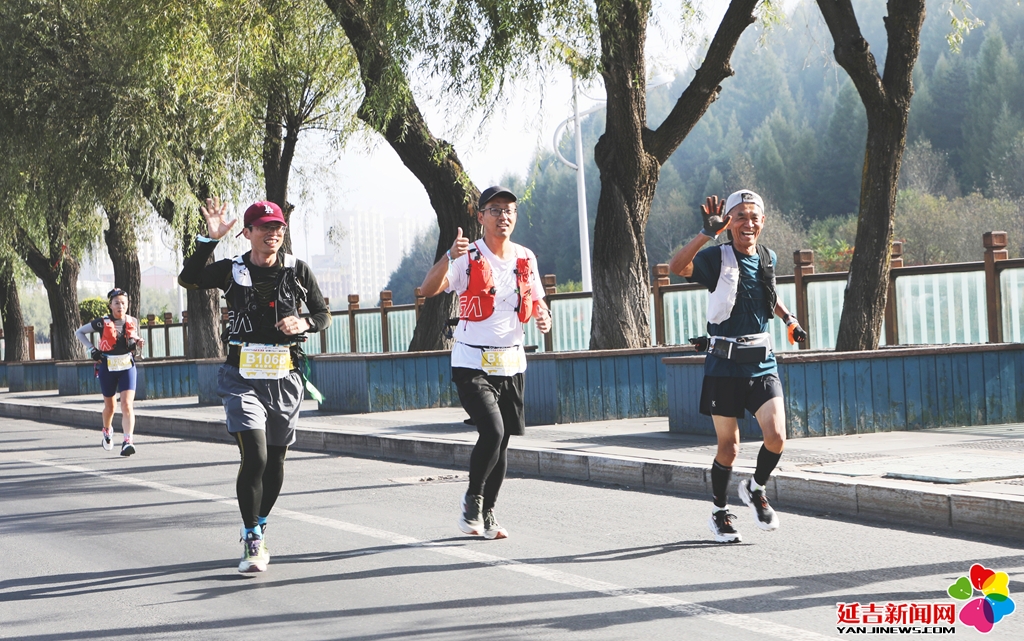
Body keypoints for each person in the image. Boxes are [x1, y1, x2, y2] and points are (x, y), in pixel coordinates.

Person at [178, 198, 331, 573]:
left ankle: (259, 524)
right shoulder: (231, 270)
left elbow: (322, 313)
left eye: (277, 227)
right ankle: (251, 538)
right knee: (256, 456)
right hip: (241, 377)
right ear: (247, 233)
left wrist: (304, 324)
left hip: (285, 377)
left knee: (275, 461)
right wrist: (209, 241)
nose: (272, 233)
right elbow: (189, 279)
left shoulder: (297, 269)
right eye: (264, 227)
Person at [668, 190, 807, 543]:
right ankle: (719, 512)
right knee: (729, 448)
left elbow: (768, 293)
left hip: (761, 362)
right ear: (729, 222)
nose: (748, 223)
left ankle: (756, 488)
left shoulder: (768, 257)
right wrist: (706, 234)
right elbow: (676, 268)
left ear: (763, 222)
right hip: (723, 366)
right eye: (740, 216)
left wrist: (789, 319)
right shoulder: (716, 257)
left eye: (754, 217)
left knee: (776, 437)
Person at [420, 186, 552, 540]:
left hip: (511, 363)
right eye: (494, 210)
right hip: (472, 361)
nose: (502, 216)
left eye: (509, 210)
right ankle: (472, 500)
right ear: (480, 217)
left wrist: (543, 315)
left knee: (502, 440)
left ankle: (488, 512)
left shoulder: (525, 257)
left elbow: (537, 301)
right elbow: (428, 289)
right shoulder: (468, 256)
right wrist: (448, 255)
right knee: (492, 431)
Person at [75, 288, 144, 456]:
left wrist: (138, 343)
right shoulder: (102, 322)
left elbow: (135, 341)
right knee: (110, 407)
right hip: (108, 366)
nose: (120, 306)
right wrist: (92, 349)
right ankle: (107, 430)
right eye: (116, 303)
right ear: (110, 305)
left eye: (123, 303)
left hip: (127, 366)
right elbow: (79, 332)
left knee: (127, 404)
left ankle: (128, 441)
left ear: (128, 305)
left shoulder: (132, 321)